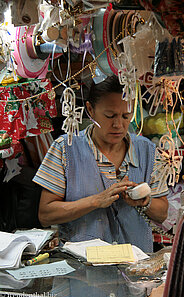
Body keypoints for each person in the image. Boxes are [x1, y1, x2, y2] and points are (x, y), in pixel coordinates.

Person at [33, 75, 168, 253]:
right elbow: (46, 214)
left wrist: (145, 201)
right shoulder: (65, 148)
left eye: (126, 116)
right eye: (110, 115)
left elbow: (162, 213)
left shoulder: (147, 151)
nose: (118, 124)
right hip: (82, 271)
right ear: (90, 110)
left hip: (136, 268)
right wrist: (95, 201)